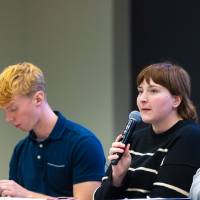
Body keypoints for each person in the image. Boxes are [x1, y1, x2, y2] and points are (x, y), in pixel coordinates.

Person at [94, 62, 200, 199]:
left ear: (176, 100)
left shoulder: (189, 136)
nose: (142, 99)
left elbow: (163, 198)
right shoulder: (134, 138)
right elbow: (99, 197)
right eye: (140, 91)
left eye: (153, 91)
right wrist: (117, 177)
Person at [0, 62, 106, 200]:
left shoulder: (83, 144)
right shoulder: (20, 150)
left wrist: (27, 195)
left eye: (13, 109)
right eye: (5, 111)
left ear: (38, 98)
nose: (8, 118)